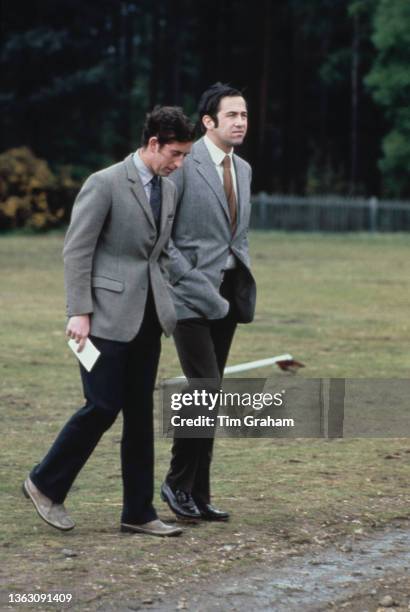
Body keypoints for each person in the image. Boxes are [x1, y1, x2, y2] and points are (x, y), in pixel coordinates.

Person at [23, 106, 195, 537]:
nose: (179, 164)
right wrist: (78, 312)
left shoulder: (169, 190)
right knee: (102, 405)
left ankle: (138, 512)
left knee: (139, 415)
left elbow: (161, 253)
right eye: (174, 154)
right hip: (102, 318)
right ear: (153, 143)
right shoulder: (103, 183)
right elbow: (76, 250)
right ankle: (44, 483)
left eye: (184, 156)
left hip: (150, 318)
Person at [161, 83, 256, 522]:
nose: (240, 122)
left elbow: (237, 235)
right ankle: (177, 483)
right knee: (204, 387)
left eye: (244, 115)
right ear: (208, 121)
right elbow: (165, 239)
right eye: (231, 115)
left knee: (210, 393)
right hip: (187, 297)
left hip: (228, 298)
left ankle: (199, 492)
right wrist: (192, 282)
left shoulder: (246, 169)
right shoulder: (183, 164)